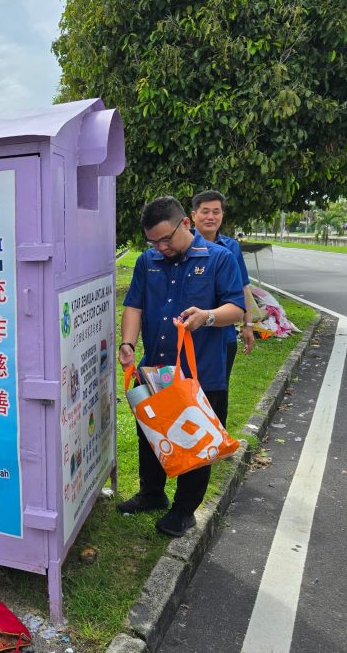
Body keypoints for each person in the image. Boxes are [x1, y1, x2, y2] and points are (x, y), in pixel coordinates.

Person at [118, 196, 244, 537]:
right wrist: (128, 344)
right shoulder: (148, 262)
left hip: (201, 372)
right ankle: (152, 494)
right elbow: (133, 305)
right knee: (152, 433)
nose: (161, 247)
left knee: (195, 443)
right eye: (153, 242)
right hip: (156, 368)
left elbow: (238, 309)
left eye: (166, 239)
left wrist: (208, 317)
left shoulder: (219, 259)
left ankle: (184, 509)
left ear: (184, 224)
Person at [189, 189, 256, 382]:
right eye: (205, 211)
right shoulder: (183, 245)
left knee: (217, 392)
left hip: (223, 335)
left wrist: (248, 324)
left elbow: (243, 287)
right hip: (190, 334)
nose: (211, 217)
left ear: (222, 215)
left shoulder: (231, 247)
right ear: (193, 215)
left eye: (216, 212)